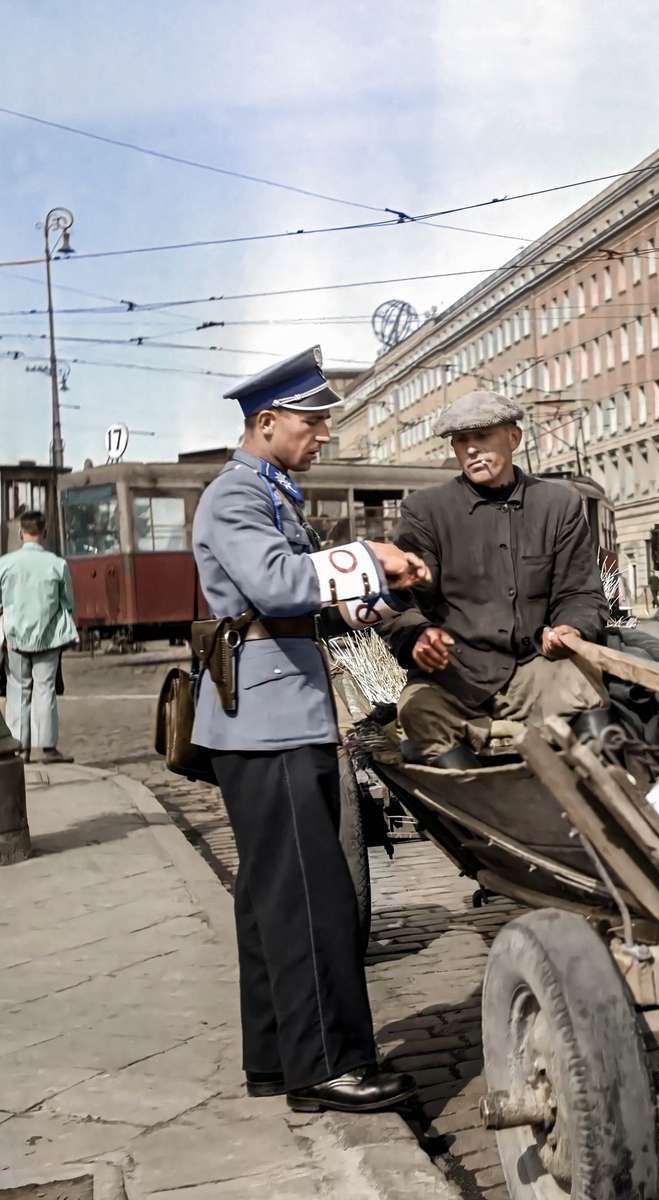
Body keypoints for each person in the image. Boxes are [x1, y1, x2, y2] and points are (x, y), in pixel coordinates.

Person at [191, 346, 425, 1113]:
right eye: (312, 421)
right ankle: (327, 1066)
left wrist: (382, 588)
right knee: (310, 898)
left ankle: (277, 1059)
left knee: (270, 901)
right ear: (266, 424)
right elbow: (278, 582)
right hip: (267, 723)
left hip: (274, 713)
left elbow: (303, 597)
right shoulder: (236, 496)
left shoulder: (269, 493)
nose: (323, 434)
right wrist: (369, 556)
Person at [387, 390, 610, 766]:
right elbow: (400, 600)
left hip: (533, 666)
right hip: (452, 675)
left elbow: (580, 592)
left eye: (482, 437)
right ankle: (475, 816)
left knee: (585, 691)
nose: (471, 450)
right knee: (418, 713)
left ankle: (590, 806)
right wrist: (417, 636)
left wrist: (571, 628)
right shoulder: (425, 511)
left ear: (514, 438)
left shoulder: (558, 506)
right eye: (461, 441)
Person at [0, 511, 77, 763]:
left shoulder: (5, 564)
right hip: (48, 637)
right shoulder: (57, 564)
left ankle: (19, 748)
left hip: (15, 637)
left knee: (18, 690)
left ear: (21, 533)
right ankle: (47, 748)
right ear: (44, 533)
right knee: (45, 689)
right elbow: (68, 602)